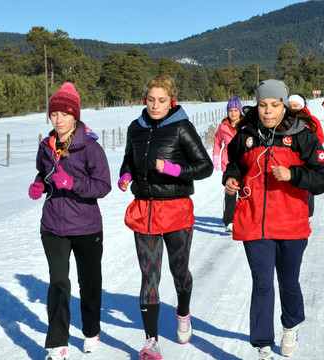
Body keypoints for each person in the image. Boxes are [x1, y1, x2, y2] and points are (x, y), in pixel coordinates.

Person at [223, 79, 324, 360]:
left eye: (274, 105)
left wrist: (293, 175)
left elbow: (322, 179)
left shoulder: (302, 136)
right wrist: (231, 178)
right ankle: (262, 345)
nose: (268, 111)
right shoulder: (246, 135)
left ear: (284, 107)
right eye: (262, 105)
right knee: (262, 283)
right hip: (254, 221)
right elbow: (234, 161)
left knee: (288, 282)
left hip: (291, 224)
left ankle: (291, 325)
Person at [118, 75, 213, 360]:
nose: (155, 106)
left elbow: (205, 166)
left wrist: (174, 170)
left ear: (171, 101)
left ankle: (183, 313)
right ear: (144, 99)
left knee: (179, 271)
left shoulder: (182, 127)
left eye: (161, 101)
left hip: (176, 211)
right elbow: (128, 158)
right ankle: (151, 342)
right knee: (149, 277)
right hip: (145, 210)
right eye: (150, 100)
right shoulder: (136, 128)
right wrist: (125, 175)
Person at [28, 82, 112, 360]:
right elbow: (43, 173)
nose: (59, 119)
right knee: (59, 283)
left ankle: (90, 330)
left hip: (87, 227)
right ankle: (57, 343)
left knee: (89, 284)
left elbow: (103, 186)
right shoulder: (46, 146)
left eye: (64, 114)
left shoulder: (90, 147)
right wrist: (39, 184)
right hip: (53, 226)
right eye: (54, 114)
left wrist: (73, 182)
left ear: (75, 115)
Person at [212, 96, 245, 232]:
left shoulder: (246, 125)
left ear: (240, 111)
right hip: (228, 163)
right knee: (230, 192)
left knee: (244, 192)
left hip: (244, 163)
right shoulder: (222, 127)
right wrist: (216, 157)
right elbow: (217, 142)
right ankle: (229, 221)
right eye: (230, 110)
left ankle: (243, 218)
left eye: (236, 110)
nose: (233, 113)